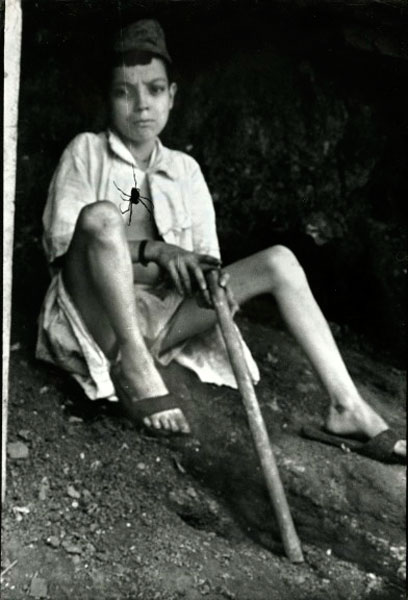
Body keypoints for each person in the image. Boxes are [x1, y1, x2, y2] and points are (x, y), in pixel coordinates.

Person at [36, 19, 405, 462]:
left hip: (166, 321)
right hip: (100, 318)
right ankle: (134, 364)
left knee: (280, 261)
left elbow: (209, 260)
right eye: (123, 92)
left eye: (154, 90)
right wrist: (154, 250)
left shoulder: (185, 170)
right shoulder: (86, 151)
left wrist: (204, 276)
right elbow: (62, 248)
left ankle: (348, 407)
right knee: (99, 217)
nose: (141, 106)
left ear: (172, 96)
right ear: (107, 99)